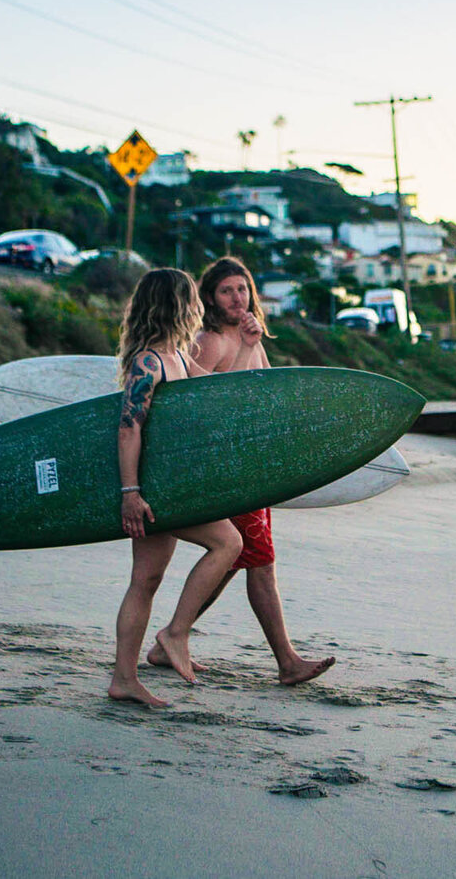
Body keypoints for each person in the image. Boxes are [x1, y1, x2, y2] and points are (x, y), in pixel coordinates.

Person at [145, 255, 335, 687]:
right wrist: (247, 348)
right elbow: (197, 403)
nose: (237, 297)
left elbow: (261, 396)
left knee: (233, 562)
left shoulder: (250, 336)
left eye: (243, 288)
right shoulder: (209, 341)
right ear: (210, 297)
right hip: (227, 473)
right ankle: (285, 661)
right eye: (227, 290)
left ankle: (167, 642)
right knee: (261, 563)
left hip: (252, 470)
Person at [107, 268, 244, 708]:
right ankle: (175, 632)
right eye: (193, 300)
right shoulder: (148, 361)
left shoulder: (179, 359)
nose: (200, 307)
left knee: (145, 580)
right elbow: (129, 429)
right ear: (179, 306)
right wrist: (130, 493)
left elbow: (226, 388)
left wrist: (250, 342)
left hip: (163, 486)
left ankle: (124, 678)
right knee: (228, 542)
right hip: (153, 490)